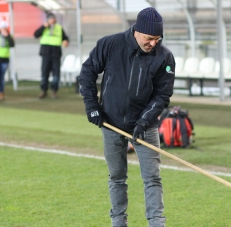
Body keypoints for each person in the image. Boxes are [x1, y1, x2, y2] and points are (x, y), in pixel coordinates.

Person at [79, 7, 175, 227]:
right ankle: (119, 221)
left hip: (145, 126)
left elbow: (162, 94)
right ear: (137, 31)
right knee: (117, 177)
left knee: (152, 177)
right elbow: (87, 73)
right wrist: (92, 107)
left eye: (158, 39)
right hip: (111, 124)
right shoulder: (110, 44)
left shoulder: (164, 56)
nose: (153, 43)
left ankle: (156, 222)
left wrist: (144, 121)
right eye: (150, 38)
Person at [34, 13, 69, 99]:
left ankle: (54, 91)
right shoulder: (44, 27)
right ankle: (44, 90)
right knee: (44, 73)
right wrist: (44, 26)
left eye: (53, 19)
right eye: (50, 19)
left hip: (56, 53)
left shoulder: (59, 28)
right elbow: (36, 34)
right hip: (46, 53)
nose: (52, 20)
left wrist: (65, 41)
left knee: (56, 74)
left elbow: (65, 38)